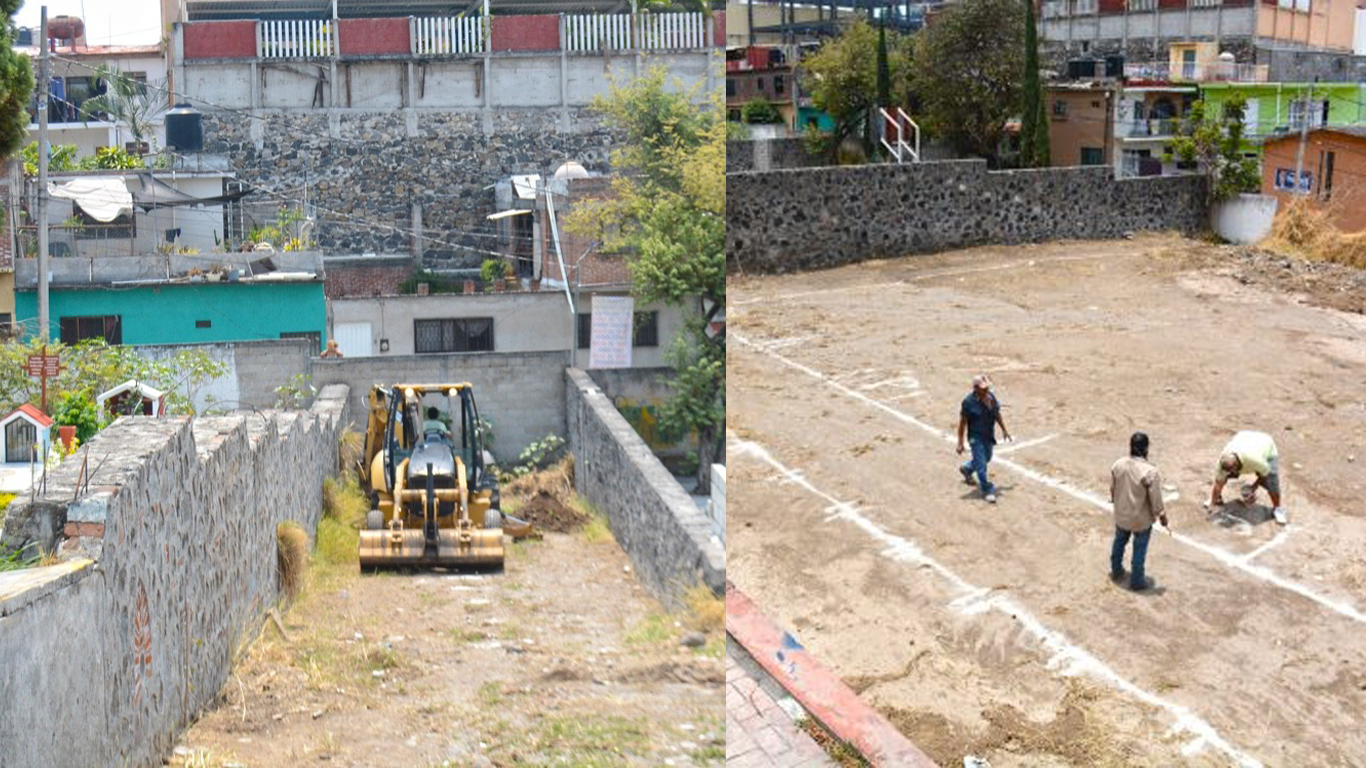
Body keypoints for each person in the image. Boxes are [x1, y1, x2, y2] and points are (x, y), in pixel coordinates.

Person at [1110, 431, 1167, 592]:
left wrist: (1118, 504)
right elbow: (1156, 499)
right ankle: (1136, 581)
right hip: (1140, 520)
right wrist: (1162, 515)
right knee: (1139, 550)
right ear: (1146, 449)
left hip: (1122, 515)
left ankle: (1116, 570)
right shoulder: (1150, 471)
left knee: (1119, 542)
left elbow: (1112, 489)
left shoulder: (1118, 464)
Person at [1207, 430, 1286, 525]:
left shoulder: (1255, 460)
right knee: (1222, 477)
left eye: (1231, 470)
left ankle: (1278, 509)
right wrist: (1212, 504)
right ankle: (1217, 499)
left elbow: (1264, 474)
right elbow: (1218, 483)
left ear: (1236, 466)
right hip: (1244, 437)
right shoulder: (1222, 461)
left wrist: (1253, 487)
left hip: (1267, 445)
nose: (1229, 473)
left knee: (1271, 481)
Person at [957, 374, 1012, 504]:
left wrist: (1004, 429)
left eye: (987, 387)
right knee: (981, 466)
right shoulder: (968, 402)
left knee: (987, 457)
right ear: (975, 388)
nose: (986, 390)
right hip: (975, 438)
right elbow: (962, 424)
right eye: (983, 388)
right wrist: (960, 443)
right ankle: (987, 489)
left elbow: (996, 413)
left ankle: (967, 468)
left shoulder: (991, 397)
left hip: (988, 435)